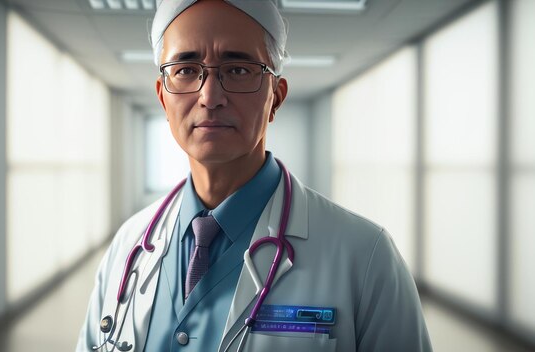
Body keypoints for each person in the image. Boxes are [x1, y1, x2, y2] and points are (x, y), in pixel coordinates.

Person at [77, 0, 432, 351]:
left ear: (275, 98)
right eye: (186, 69)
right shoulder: (128, 246)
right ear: (162, 97)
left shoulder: (365, 257)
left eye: (238, 70)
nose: (209, 96)